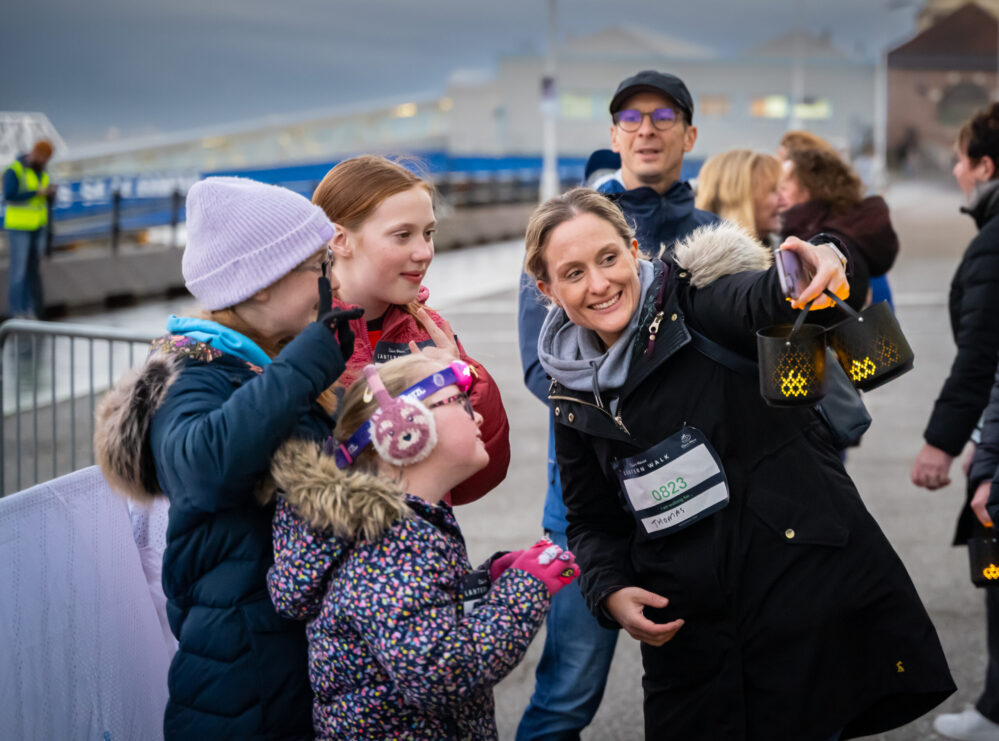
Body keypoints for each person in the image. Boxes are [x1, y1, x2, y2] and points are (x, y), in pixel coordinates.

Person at [527, 186, 955, 740]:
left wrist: (822, 255)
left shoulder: (697, 302)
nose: (600, 283)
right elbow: (589, 518)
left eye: (609, 258)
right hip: (689, 631)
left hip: (796, 588)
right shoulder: (570, 393)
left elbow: (763, 297)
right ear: (548, 288)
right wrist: (608, 590)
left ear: (634, 249)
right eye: (574, 272)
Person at [94, 177, 361, 739]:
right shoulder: (192, 371)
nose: (329, 281)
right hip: (240, 670)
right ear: (260, 285)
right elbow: (202, 469)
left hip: (279, 649)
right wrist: (308, 365)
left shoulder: (262, 366)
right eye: (316, 265)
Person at [515, 69, 720, 740]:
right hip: (587, 489)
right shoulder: (565, 234)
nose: (646, 129)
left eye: (663, 116)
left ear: (688, 133)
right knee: (569, 682)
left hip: (701, 484)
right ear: (612, 134)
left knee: (714, 674)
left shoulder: (715, 239)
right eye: (629, 118)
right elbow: (540, 370)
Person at [267, 353, 580, 739]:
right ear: (402, 431)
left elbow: (424, 615)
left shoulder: (400, 530)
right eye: (461, 403)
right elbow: (441, 674)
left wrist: (491, 581)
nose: (477, 416)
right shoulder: (387, 547)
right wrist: (524, 590)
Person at [312, 155, 509, 504]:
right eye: (403, 235)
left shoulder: (425, 330)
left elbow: (479, 476)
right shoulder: (303, 340)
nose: (424, 252)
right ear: (339, 239)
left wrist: (463, 381)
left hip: (424, 547)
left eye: (428, 233)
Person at [915, 102, 999, 741]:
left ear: (985, 167)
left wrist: (946, 445)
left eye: (961, 160)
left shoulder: (992, 247)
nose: (955, 170)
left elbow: (982, 359)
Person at [778, 146, 901, 311]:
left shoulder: (839, 239)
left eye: (783, 187)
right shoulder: (846, 226)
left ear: (809, 189)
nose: (777, 195)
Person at [3, 140, 55, 318]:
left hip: (38, 226)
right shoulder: (15, 170)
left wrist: (50, 194)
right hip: (19, 227)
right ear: (36, 153)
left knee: (33, 270)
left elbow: (45, 202)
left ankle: (34, 310)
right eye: (43, 157)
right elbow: (9, 195)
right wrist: (36, 193)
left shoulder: (43, 172)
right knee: (19, 271)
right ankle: (17, 312)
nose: (45, 161)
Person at [694, 148, 782, 243]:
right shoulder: (713, 255)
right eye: (773, 189)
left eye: (783, 188)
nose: (784, 198)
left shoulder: (781, 249)